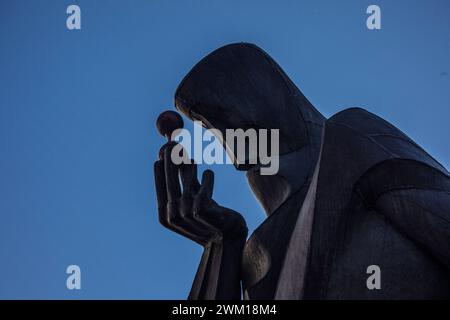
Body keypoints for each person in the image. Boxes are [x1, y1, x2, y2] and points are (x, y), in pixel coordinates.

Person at [154, 43, 450, 299]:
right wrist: (220, 248)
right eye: (208, 127)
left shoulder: (348, 139)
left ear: (262, 94)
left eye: (220, 114)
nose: (227, 139)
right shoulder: (258, 254)